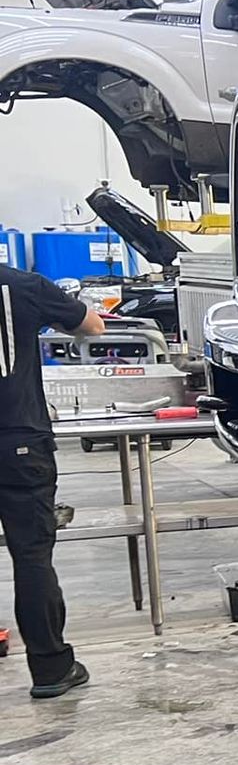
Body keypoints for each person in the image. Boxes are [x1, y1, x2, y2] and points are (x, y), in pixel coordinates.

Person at [1, 264, 104, 698]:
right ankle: (50, 669)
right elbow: (92, 326)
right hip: (17, 438)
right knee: (31, 556)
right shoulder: (21, 285)